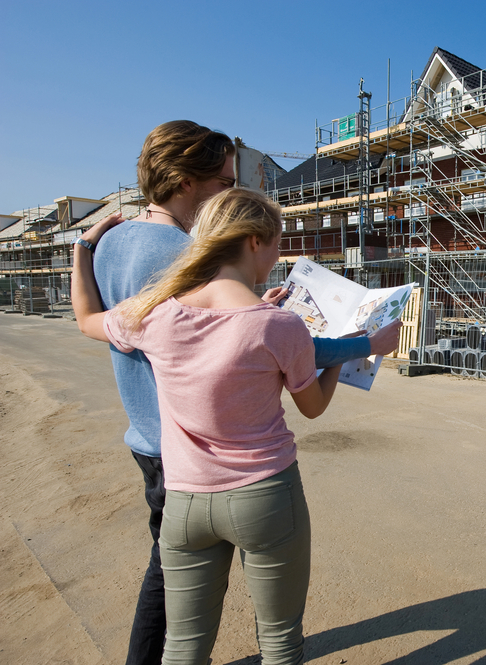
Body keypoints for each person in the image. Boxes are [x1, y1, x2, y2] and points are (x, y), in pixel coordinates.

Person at [90, 120, 395, 664]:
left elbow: (88, 319)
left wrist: (79, 252)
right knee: (279, 640)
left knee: (184, 646)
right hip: (263, 495)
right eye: (275, 246)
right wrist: (357, 348)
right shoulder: (278, 328)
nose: (276, 258)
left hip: (184, 498)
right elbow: (314, 406)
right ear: (254, 242)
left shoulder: (156, 316)